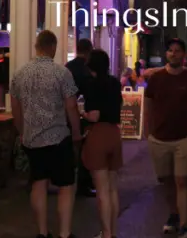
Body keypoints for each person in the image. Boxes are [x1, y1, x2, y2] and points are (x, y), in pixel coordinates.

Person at [10, 30, 83, 238]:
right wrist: (76, 133)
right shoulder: (62, 73)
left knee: (38, 183)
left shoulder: (20, 73)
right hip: (58, 137)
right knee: (66, 186)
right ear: (52, 47)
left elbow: (16, 107)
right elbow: (71, 106)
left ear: (36, 47)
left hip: (32, 139)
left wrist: (22, 132)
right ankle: (64, 233)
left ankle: (42, 233)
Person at [144, 38, 187, 238]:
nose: (174, 54)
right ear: (166, 54)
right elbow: (148, 104)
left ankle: (185, 224)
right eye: (170, 51)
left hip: (183, 137)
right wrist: (148, 131)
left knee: (182, 180)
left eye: (177, 51)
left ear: (184, 54)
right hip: (159, 138)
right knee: (166, 180)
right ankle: (173, 214)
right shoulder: (157, 78)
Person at [83, 49, 124, 238]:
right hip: (115, 134)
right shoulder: (115, 83)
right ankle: (113, 231)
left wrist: (81, 113)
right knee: (113, 188)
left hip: (98, 134)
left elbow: (94, 114)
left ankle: (106, 234)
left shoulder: (91, 85)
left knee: (102, 192)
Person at [66, 38, 96, 197]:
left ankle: (66, 181)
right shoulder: (86, 71)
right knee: (84, 149)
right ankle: (83, 185)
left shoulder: (67, 67)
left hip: (60, 113)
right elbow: (89, 97)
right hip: (76, 114)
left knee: (65, 149)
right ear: (89, 51)